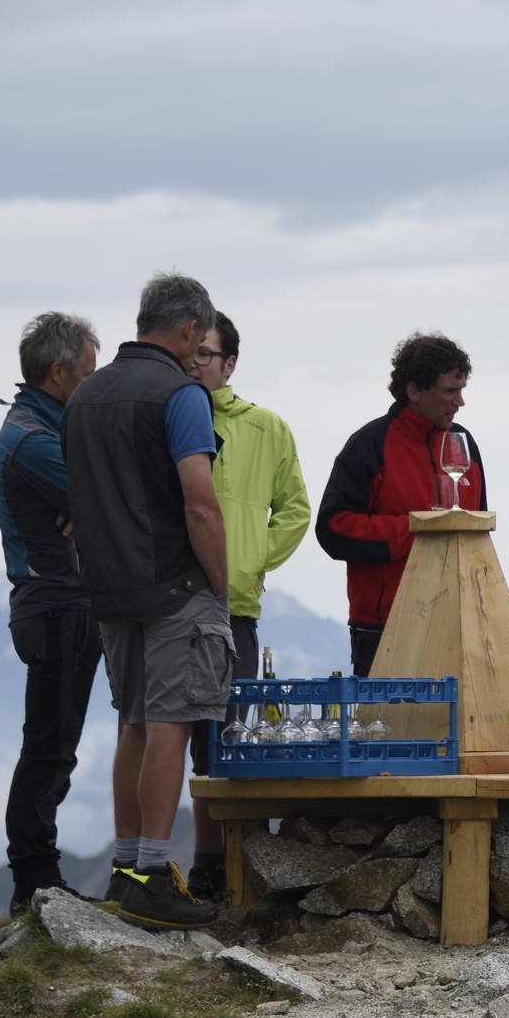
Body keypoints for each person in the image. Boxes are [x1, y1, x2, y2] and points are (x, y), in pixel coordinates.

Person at [61, 273, 227, 930]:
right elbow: (199, 499)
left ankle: (127, 866)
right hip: (174, 584)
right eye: (200, 338)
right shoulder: (181, 395)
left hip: (109, 586)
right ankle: (155, 874)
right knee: (171, 722)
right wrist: (217, 579)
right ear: (189, 330)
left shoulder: (86, 395)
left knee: (131, 719)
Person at [182, 311, 311, 899]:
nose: (196, 364)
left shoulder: (266, 427)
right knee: (163, 733)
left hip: (236, 603)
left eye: (207, 355)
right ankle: (170, 864)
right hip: (172, 597)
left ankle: (218, 868)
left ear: (230, 363)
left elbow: (295, 509)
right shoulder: (164, 416)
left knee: (224, 738)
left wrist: (253, 560)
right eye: (191, 354)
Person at [0, 311, 102, 915]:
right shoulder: (35, 440)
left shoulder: (43, 428)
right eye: (88, 371)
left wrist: (88, 506)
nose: (95, 380)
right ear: (58, 373)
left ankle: (37, 878)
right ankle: (35, 882)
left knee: (55, 746)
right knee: (49, 749)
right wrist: (89, 505)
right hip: (57, 606)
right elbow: (113, 498)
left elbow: (98, 499)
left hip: (59, 606)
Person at [316, 332, 487, 676]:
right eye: (450, 391)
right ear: (414, 391)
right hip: (383, 627)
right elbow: (332, 529)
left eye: (462, 390)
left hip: (457, 623)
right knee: (385, 731)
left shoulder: (464, 443)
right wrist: (416, 529)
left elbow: (478, 531)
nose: (460, 402)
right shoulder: (369, 445)